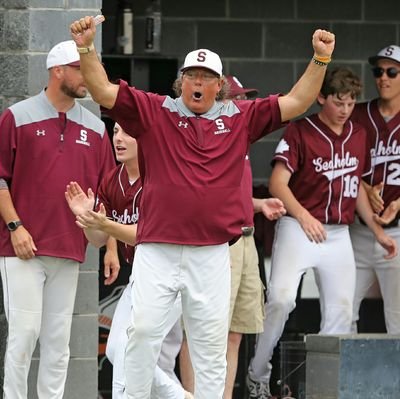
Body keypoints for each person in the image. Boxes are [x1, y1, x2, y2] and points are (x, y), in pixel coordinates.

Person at [70, 16, 335, 399]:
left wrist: (320, 59)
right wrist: (86, 47)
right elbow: (102, 90)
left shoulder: (239, 117)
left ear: (219, 86)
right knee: (141, 333)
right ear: (181, 82)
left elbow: (296, 102)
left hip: (211, 253)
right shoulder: (156, 110)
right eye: (191, 76)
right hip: (157, 249)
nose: (198, 83)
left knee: (210, 347)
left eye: (207, 77)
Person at [246, 67, 398, 399]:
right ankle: (258, 373)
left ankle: (324, 386)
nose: (345, 109)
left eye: (350, 102)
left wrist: (377, 231)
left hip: (338, 232)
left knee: (341, 313)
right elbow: (277, 184)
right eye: (338, 102)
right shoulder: (301, 130)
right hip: (299, 227)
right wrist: (302, 216)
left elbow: (355, 186)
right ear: (321, 98)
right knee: (282, 299)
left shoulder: (358, 134)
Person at [0, 40, 115, 398]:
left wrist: (110, 246)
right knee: (24, 334)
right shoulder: (16, 116)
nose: (87, 77)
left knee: (58, 342)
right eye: (80, 69)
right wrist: (15, 227)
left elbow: (107, 194)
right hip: (21, 248)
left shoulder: (97, 129)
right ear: (57, 71)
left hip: (69, 249)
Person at [65, 122, 192, 399]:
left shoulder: (163, 174)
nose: (119, 139)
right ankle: (180, 396)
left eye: (128, 133)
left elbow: (146, 235)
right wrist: (87, 220)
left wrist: (106, 225)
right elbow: (98, 239)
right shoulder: (113, 179)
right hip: (143, 276)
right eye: (115, 133)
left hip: (175, 275)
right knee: (116, 350)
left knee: (128, 349)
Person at [178, 75, 287, 399]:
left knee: (236, 332)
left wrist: (258, 204)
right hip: (218, 244)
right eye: (237, 99)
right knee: (201, 331)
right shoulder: (207, 140)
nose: (241, 106)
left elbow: (231, 195)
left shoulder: (240, 138)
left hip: (246, 239)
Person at [350, 45, 400, 334]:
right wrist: (365, 187)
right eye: (378, 71)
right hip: (356, 232)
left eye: (392, 71)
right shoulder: (357, 114)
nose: (383, 77)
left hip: (396, 232)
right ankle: (344, 379)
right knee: (343, 310)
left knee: (397, 318)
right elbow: (339, 162)